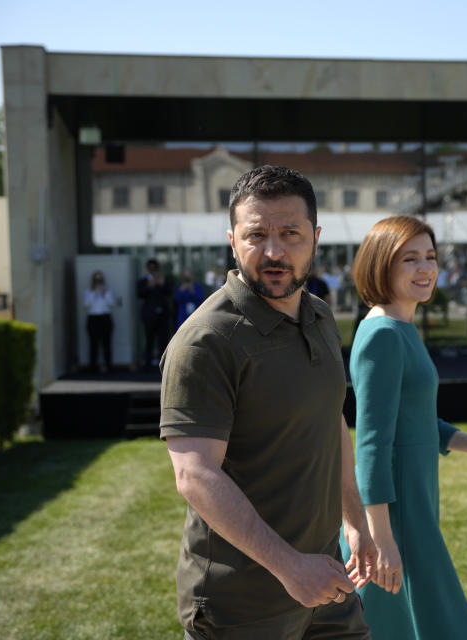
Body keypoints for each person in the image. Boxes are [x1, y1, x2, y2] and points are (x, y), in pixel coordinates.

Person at [160, 166, 374, 640]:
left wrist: (353, 520)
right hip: (243, 603)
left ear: (315, 238)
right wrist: (290, 567)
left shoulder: (319, 317)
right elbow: (195, 475)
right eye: (256, 234)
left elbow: (329, 415)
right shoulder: (205, 341)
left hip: (326, 582)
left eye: (290, 233)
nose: (274, 251)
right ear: (233, 240)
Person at [343, 215, 467, 640]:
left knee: (409, 625)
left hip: (414, 503)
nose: (425, 269)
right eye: (410, 259)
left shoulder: (402, 327)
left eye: (431, 257)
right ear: (381, 265)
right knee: (442, 624)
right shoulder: (383, 334)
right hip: (396, 513)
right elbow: (371, 444)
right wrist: (381, 539)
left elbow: (419, 421)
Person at [137, 258, 171, 367]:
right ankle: (147, 363)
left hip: (162, 316)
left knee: (163, 341)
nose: (153, 270)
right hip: (149, 316)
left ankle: (163, 364)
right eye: (151, 268)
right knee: (149, 340)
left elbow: (169, 292)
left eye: (155, 268)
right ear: (147, 269)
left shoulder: (163, 279)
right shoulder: (143, 281)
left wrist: (162, 284)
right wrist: (149, 286)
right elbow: (140, 294)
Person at [83, 270, 116, 372]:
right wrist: (94, 292)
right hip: (93, 318)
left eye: (100, 279)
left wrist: (104, 293)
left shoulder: (108, 291)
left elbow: (112, 303)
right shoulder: (88, 291)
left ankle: (108, 366)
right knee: (93, 344)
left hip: (105, 318)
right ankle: (93, 367)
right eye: (97, 280)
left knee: (107, 343)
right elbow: (86, 304)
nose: (99, 282)